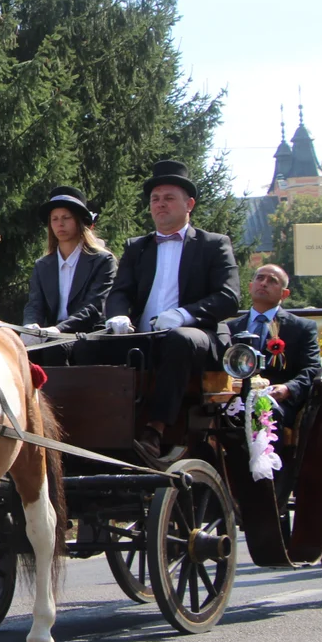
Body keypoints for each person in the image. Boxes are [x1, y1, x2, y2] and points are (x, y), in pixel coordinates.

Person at [101, 160, 240, 460]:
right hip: (145, 337)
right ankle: (95, 432)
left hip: (200, 337)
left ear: (189, 204)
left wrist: (184, 314)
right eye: (155, 199)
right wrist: (118, 315)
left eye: (168, 198)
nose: (160, 205)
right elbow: (120, 291)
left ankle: (154, 430)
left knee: (179, 339)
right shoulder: (137, 247)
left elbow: (229, 297)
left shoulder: (213, 244)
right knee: (89, 348)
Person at [22, 186, 118, 365]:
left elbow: (93, 308)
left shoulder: (103, 261)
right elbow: (34, 304)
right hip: (50, 334)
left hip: (87, 334)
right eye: (55, 219)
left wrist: (58, 330)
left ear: (79, 221)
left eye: (66, 218)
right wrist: (30, 326)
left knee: (54, 348)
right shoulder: (42, 265)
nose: (60, 224)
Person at [227, 264, 320, 427]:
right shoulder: (230, 328)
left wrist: (288, 389)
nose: (263, 283)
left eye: (272, 281)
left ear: (284, 294)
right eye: (260, 278)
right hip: (233, 399)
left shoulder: (300, 328)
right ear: (250, 286)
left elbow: (312, 369)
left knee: (266, 412)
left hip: (277, 401)